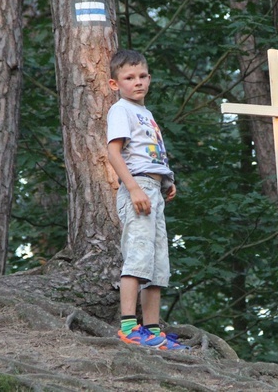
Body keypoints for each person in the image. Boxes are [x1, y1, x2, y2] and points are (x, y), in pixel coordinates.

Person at [106, 49, 187, 351]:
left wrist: (167, 180)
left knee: (156, 264)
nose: (137, 82)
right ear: (116, 84)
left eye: (142, 76)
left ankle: (153, 331)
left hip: (155, 190)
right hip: (136, 188)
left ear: (149, 78)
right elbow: (115, 153)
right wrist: (135, 189)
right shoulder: (120, 110)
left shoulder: (147, 114)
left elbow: (150, 153)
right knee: (138, 257)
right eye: (129, 78)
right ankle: (129, 327)